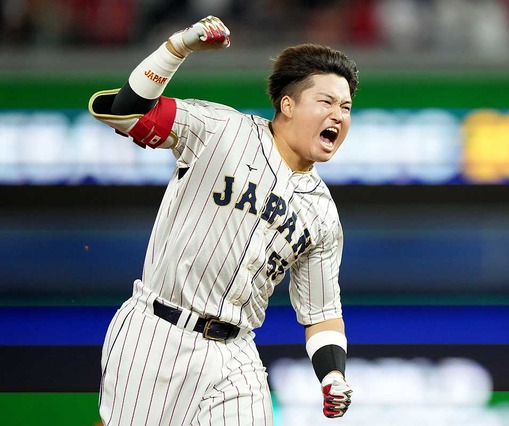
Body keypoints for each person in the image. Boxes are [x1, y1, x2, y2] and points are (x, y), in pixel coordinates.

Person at [88, 15, 357, 426]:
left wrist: (332, 375)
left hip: (236, 352)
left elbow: (321, 311)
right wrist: (178, 47)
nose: (338, 114)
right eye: (326, 102)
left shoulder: (322, 213)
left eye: (346, 107)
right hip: (159, 332)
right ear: (288, 105)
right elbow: (128, 113)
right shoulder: (223, 130)